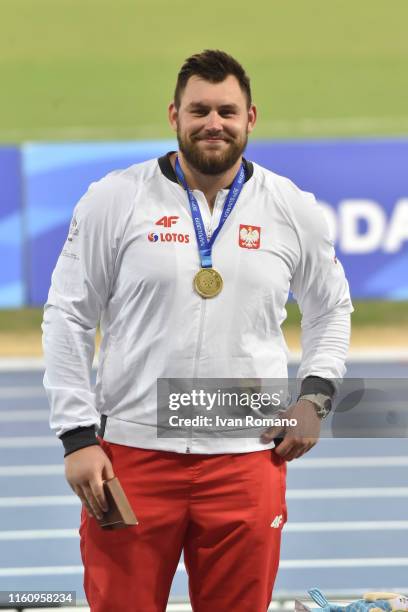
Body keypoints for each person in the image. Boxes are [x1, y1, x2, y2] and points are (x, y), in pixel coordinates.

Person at [42, 49, 353, 612]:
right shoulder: (116, 199)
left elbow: (331, 308)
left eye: (228, 111)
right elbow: (67, 314)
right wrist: (77, 435)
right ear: (174, 116)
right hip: (131, 459)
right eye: (199, 109)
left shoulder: (291, 208)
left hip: (246, 457)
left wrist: (316, 397)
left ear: (251, 118)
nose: (214, 122)